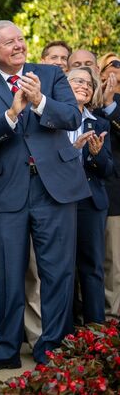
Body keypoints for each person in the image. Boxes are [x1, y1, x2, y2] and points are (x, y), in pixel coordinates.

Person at [0, 20, 90, 371]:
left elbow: (72, 116)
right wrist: (10, 115)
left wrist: (40, 101)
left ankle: (52, 348)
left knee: (57, 272)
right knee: (7, 273)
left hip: (55, 189)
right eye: (9, 42)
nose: (18, 45)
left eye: (21, 39)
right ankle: (5, 350)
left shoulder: (49, 75)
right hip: (8, 191)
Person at [66, 67, 113, 325]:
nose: (84, 86)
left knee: (92, 266)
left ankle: (95, 331)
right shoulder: (51, 119)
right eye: (78, 81)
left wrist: (95, 155)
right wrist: (74, 150)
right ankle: (66, 331)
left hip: (90, 202)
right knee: (64, 267)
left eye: (89, 83)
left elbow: (107, 169)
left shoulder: (100, 124)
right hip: (59, 201)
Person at [97, 52, 120, 317]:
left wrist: (110, 103)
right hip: (83, 191)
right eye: (111, 64)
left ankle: (112, 317)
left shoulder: (116, 103)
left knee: (113, 257)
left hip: (114, 192)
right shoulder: (83, 97)